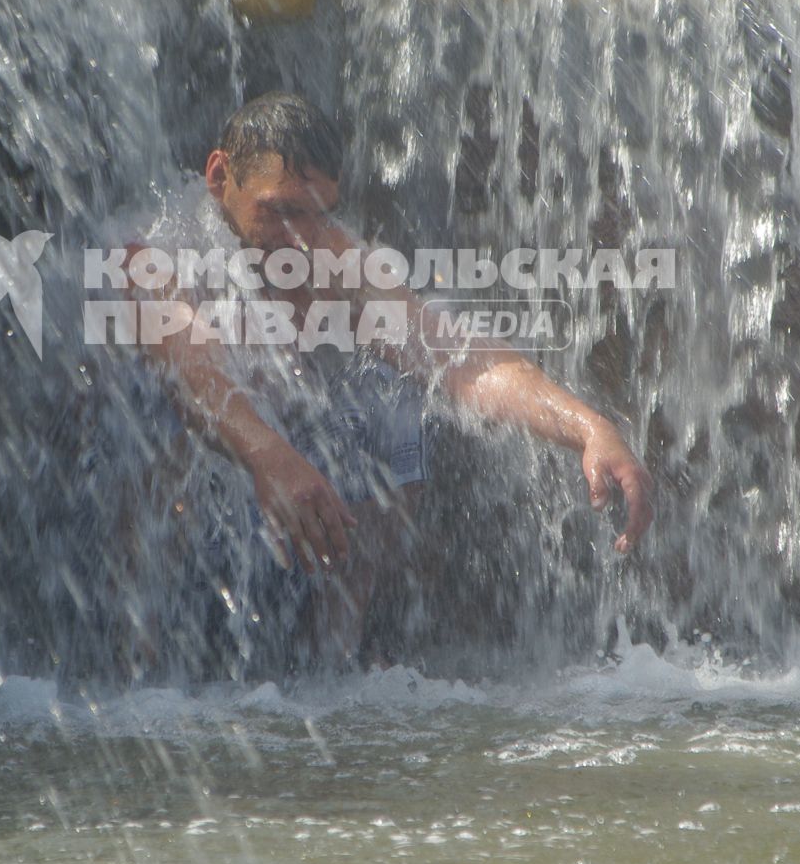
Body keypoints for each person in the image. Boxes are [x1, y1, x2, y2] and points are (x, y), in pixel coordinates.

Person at [118, 92, 652, 670]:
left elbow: (457, 358)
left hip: (280, 505)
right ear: (220, 175)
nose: (299, 236)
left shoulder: (332, 256)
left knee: (392, 392)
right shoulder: (154, 258)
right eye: (280, 210)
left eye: (317, 213)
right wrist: (270, 458)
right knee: (140, 425)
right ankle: (139, 665)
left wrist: (588, 427)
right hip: (187, 513)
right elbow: (195, 378)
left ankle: (334, 658)